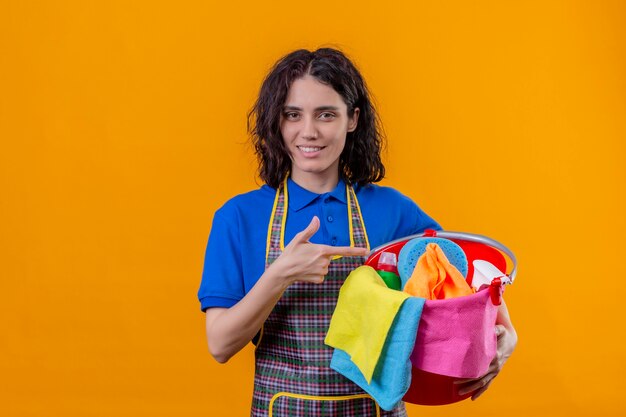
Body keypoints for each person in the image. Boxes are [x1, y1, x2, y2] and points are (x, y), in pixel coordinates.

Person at [198, 48, 517, 416]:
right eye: (293, 115)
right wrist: (281, 273)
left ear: (352, 119)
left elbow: (466, 279)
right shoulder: (239, 217)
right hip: (284, 408)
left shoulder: (394, 211)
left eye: (326, 115)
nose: (309, 131)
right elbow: (220, 345)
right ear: (278, 122)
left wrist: (507, 336)